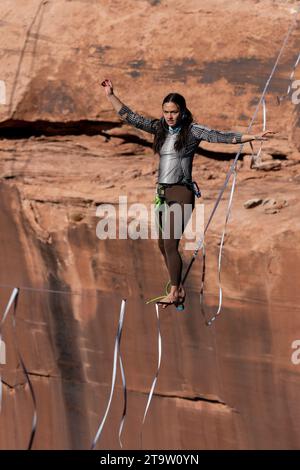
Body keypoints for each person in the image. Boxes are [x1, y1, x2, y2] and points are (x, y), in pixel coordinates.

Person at [101, 78, 274, 308]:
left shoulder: (192, 131)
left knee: (171, 244)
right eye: (166, 112)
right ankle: (179, 288)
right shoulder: (159, 129)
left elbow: (220, 136)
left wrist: (251, 136)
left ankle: (174, 292)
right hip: (162, 194)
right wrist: (111, 95)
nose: (169, 116)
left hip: (181, 193)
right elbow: (130, 117)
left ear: (182, 111)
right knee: (162, 245)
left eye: (174, 112)